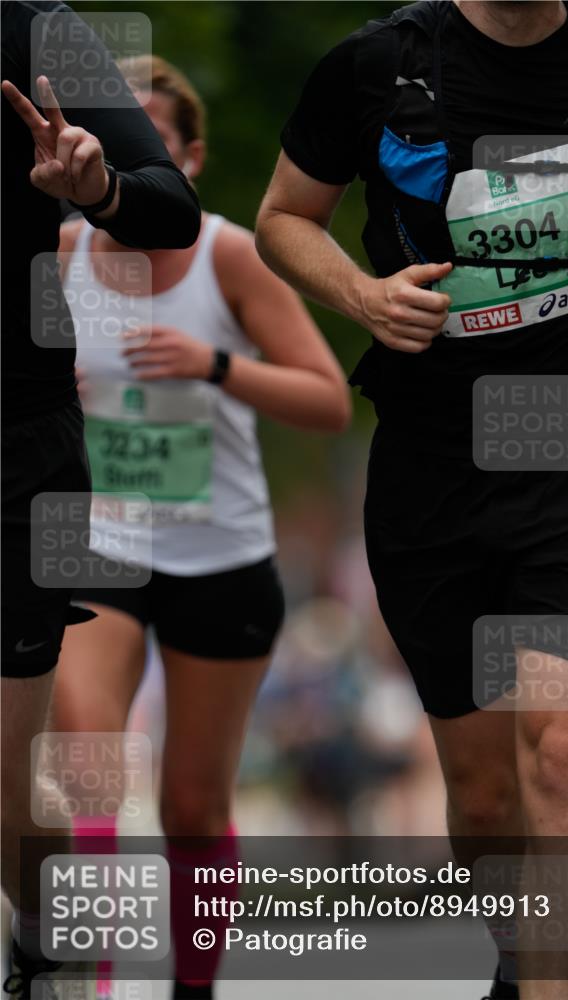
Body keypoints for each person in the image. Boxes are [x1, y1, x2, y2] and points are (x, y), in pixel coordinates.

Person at [255, 2, 568, 998]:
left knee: (562, 752)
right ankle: (518, 966)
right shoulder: (374, 69)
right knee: (484, 798)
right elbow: (280, 219)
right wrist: (358, 294)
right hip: (436, 462)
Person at [51, 54, 350, 1000]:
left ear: (189, 158)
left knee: (189, 806)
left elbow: (327, 401)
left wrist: (211, 365)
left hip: (221, 556)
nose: (125, 162)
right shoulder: (60, 259)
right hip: (104, 544)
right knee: (85, 762)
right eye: (111, 138)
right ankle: (89, 981)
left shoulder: (228, 255)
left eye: (149, 144)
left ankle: (194, 987)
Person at [1, 3, 200, 996]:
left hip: (15, 455)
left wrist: (101, 188)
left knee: (6, 794)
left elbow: (171, 208)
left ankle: (48, 939)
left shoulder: (35, 32)